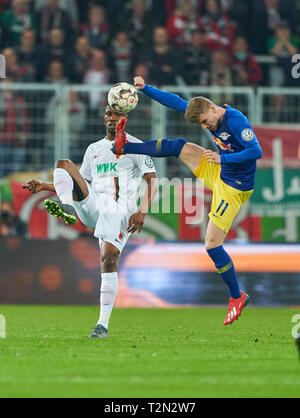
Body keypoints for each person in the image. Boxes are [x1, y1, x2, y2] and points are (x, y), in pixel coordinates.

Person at [112, 76, 263, 326]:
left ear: (213, 109)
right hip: (219, 170)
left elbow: (256, 152)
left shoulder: (237, 121)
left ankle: (237, 296)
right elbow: (177, 102)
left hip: (234, 187)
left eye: (205, 122)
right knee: (179, 146)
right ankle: (124, 147)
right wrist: (146, 88)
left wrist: (223, 159)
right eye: (201, 123)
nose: (204, 126)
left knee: (213, 245)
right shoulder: (204, 108)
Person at [23, 106, 158, 338]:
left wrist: (142, 211)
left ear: (124, 118)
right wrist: (45, 186)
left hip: (119, 211)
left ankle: (102, 325)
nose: (112, 118)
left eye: (117, 115)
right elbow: (79, 183)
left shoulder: (136, 147)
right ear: (104, 117)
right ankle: (66, 206)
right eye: (109, 114)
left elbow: (152, 181)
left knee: (108, 259)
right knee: (64, 164)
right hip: (93, 205)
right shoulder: (93, 149)